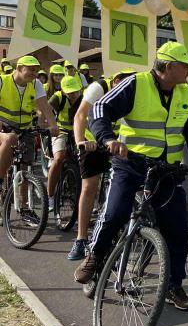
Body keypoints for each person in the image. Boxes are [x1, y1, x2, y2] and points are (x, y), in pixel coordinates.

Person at [75, 42, 188, 311]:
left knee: (178, 228)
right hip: (131, 164)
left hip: (167, 169)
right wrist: (108, 138)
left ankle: (174, 285)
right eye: (185, 66)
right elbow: (99, 110)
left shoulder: (184, 92)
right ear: (169, 67)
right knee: (115, 213)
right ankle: (95, 255)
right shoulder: (137, 83)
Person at [68, 68, 137, 261]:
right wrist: (81, 141)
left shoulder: (135, 90)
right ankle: (81, 238)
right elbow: (80, 115)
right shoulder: (98, 88)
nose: (124, 87)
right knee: (90, 186)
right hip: (93, 142)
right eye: (121, 82)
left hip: (119, 143)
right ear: (114, 79)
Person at [0, 56, 59, 184]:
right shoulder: (2, 81)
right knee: (10, 138)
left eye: (36, 70)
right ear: (19, 68)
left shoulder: (35, 83)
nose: (34, 74)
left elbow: (44, 105)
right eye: (31, 70)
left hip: (25, 128)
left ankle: (25, 203)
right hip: (3, 127)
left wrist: (53, 125)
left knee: (26, 168)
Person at [46, 75, 83, 212]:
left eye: (75, 91)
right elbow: (45, 111)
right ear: (63, 91)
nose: (73, 95)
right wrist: (49, 126)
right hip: (60, 131)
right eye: (70, 92)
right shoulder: (57, 97)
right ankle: (50, 197)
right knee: (59, 158)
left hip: (77, 133)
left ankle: (75, 194)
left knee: (83, 162)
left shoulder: (83, 98)